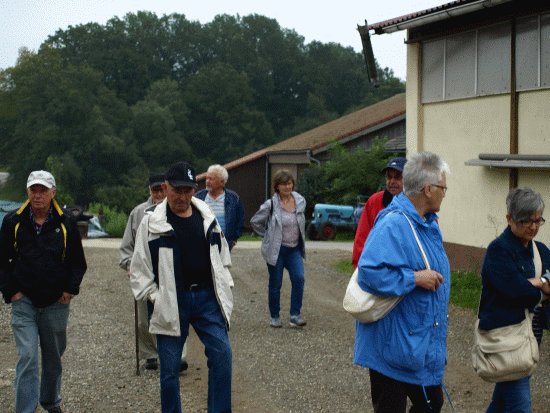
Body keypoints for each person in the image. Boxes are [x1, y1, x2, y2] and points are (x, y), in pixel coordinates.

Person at [130, 161, 233, 413]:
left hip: (207, 298)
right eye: (177, 190)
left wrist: (225, 285)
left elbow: (223, 257)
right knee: (169, 371)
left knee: (222, 355)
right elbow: (139, 269)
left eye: (187, 191)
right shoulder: (152, 223)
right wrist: (155, 297)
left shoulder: (207, 217)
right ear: (166, 188)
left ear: (194, 189)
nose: (182, 196)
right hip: (171, 300)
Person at [354, 152, 451, 413]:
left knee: (432, 404)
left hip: (416, 342)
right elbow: (369, 272)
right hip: (392, 345)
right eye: (443, 187)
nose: (446, 192)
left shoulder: (428, 224)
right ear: (428, 190)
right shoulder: (394, 222)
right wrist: (415, 278)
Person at [0, 170, 87, 413]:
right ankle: (25, 409)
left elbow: (77, 262)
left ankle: (50, 401)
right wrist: (11, 292)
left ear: (53, 193)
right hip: (24, 301)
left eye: (43, 190)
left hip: (55, 303)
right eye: (33, 190)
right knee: (27, 357)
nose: (38, 195)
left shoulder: (67, 221)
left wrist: (69, 290)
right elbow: (2, 261)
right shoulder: (12, 222)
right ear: (27, 192)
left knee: (53, 359)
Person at [478, 187, 550, 413]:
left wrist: (534, 282)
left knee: (500, 404)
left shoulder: (541, 250)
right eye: (526, 221)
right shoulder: (498, 251)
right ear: (509, 219)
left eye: (538, 220)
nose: (534, 227)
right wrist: (542, 284)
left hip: (529, 337)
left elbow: (525, 289)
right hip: (507, 341)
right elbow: (520, 293)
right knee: (520, 406)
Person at [119, 173, 188, 371]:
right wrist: (130, 266)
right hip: (145, 272)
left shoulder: (178, 210)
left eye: (162, 189)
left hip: (172, 270)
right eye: (155, 189)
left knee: (177, 313)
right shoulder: (138, 212)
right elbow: (127, 246)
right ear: (149, 190)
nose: (159, 192)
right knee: (144, 318)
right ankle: (150, 355)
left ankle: (179, 355)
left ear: (167, 188)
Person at [250, 169, 307, 328]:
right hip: (277, 250)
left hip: (294, 248)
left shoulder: (300, 201)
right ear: (277, 186)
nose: (287, 187)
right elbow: (255, 222)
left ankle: (295, 315)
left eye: (289, 183)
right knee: (276, 283)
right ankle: (274, 316)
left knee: (299, 278)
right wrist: (268, 235)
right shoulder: (271, 204)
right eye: (283, 184)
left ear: (293, 185)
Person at [352, 157, 407, 269]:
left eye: (397, 177)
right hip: (376, 270)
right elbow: (362, 238)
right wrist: (361, 269)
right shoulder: (374, 201)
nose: (392, 181)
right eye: (389, 177)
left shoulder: (417, 203)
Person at [194, 164, 245, 251]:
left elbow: (240, 220)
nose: (207, 181)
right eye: (207, 178)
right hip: (202, 245)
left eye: (211, 179)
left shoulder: (233, 198)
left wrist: (233, 240)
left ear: (222, 182)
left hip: (225, 245)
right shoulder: (197, 198)